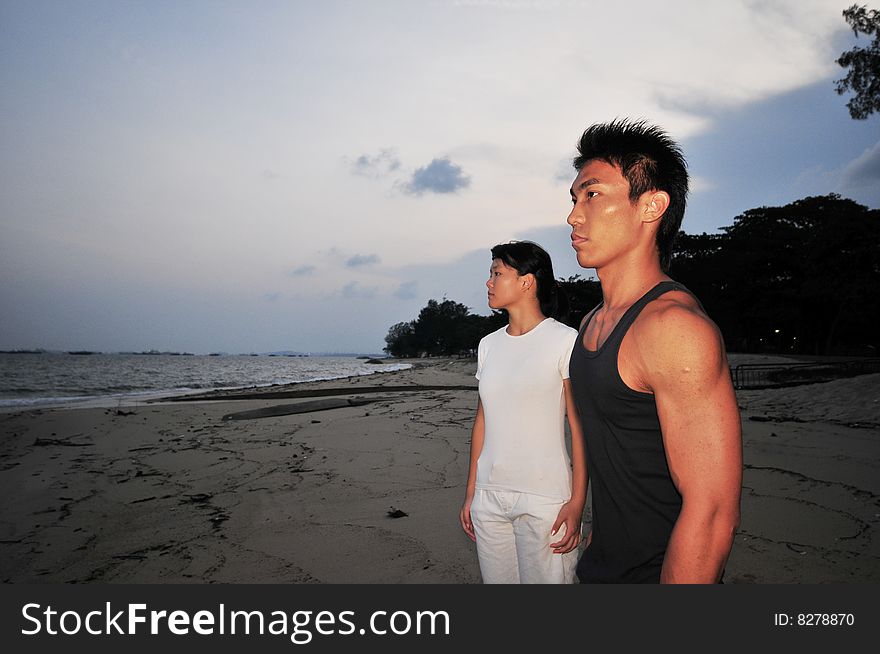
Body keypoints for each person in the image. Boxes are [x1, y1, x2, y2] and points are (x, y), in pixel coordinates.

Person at [565, 119, 742, 584]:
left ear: (651, 206)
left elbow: (713, 512)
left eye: (593, 195)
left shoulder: (673, 328)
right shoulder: (590, 323)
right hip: (599, 568)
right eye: (574, 199)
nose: (573, 215)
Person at [459, 241, 586, 584]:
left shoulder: (565, 340)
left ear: (527, 282)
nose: (489, 282)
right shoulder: (488, 345)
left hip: (545, 498)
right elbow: (482, 422)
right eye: (490, 274)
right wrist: (472, 493)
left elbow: (579, 426)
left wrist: (577, 501)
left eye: (497, 273)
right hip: (489, 499)